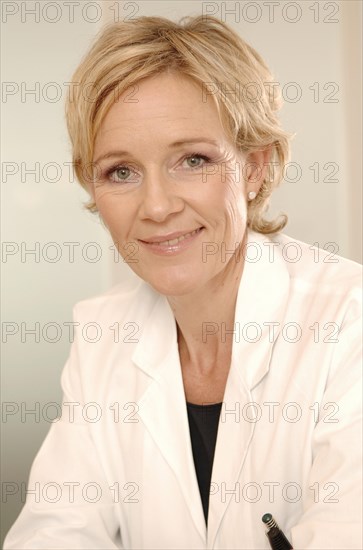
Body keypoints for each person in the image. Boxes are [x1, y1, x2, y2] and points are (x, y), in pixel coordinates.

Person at [3, 14, 362, 550]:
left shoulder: (348, 322)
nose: (156, 206)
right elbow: (53, 534)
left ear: (256, 167)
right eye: (120, 171)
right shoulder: (103, 332)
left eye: (192, 160)